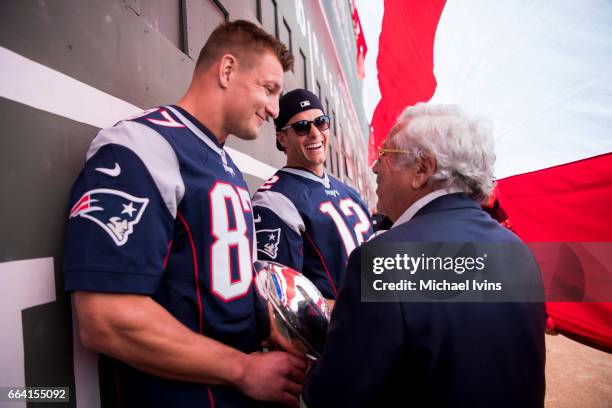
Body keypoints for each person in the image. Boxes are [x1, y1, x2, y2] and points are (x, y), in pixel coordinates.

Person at [63, 20, 308, 407]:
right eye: (269, 89)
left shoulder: (220, 160)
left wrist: (264, 324)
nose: (275, 109)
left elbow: (205, 290)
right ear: (227, 70)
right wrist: (242, 368)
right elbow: (106, 317)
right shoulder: (142, 146)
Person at [304, 103, 546, 407]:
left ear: (422, 169)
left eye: (385, 154)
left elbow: (333, 397)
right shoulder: (518, 250)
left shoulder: (384, 261)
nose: (374, 167)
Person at [251, 89, 373, 309]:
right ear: (282, 138)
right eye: (301, 127)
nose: (315, 133)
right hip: (331, 335)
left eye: (321, 122)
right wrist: (358, 314)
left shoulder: (351, 193)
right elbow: (283, 301)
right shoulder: (275, 199)